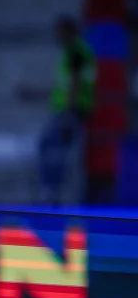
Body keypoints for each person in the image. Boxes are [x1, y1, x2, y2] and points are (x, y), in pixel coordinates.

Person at [37, 15, 96, 204]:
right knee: (55, 149)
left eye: (60, 32)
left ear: (69, 31)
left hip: (70, 112)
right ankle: (53, 190)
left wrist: (69, 113)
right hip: (69, 111)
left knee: (51, 148)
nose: (57, 36)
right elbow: (62, 86)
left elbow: (75, 84)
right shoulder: (74, 52)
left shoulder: (76, 51)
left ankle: (51, 190)